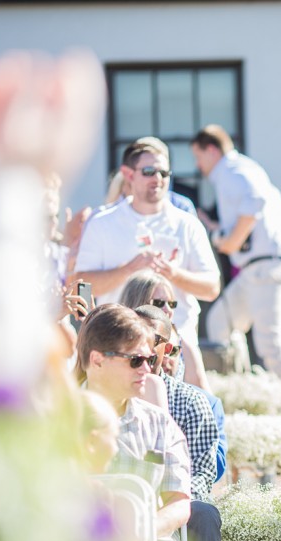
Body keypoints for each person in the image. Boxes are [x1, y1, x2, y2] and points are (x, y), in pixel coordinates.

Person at [191, 124, 281, 443]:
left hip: (267, 267)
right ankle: (246, 402)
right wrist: (218, 231)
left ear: (211, 150)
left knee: (272, 343)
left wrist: (229, 241)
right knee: (220, 320)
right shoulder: (235, 171)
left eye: (198, 157)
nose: (198, 166)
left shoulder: (233, 170)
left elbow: (254, 205)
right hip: (258, 269)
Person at [73, 140, 221, 393]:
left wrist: (174, 273)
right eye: (149, 172)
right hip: (120, 349)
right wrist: (128, 269)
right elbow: (81, 284)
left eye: (164, 173)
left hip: (176, 348)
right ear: (129, 175)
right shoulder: (103, 223)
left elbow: (211, 288)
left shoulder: (187, 224)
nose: (158, 179)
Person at [75, 304, 202, 541]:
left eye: (148, 359)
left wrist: (142, 532)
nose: (148, 369)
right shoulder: (57, 419)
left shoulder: (159, 423)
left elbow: (179, 502)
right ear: (96, 361)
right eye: (135, 361)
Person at [132, 303, 224, 541]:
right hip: (124, 495)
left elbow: (202, 473)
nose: (143, 343)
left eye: (154, 338)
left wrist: (169, 501)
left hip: (175, 497)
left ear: (168, 349)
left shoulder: (191, 401)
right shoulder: (111, 389)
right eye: (134, 334)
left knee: (204, 514)